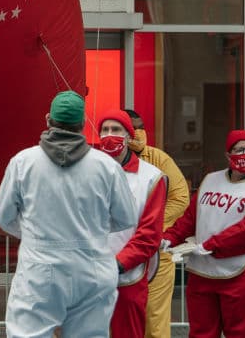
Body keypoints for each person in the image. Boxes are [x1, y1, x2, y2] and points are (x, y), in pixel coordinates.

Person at [0, 90, 138, 338]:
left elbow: (3, 215)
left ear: (48, 119)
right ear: (82, 124)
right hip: (93, 267)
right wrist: (93, 228)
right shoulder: (107, 167)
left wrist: (30, 231)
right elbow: (126, 217)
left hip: (40, 268)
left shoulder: (23, 162)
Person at [162, 129, 245, 338]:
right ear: (228, 155)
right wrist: (170, 237)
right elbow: (191, 217)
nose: (244, 154)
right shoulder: (211, 181)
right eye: (238, 150)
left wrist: (211, 245)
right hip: (203, 273)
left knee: (243, 333)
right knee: (201, 333)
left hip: (243, 274)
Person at [97, 110, 167, 338]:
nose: (110, 135)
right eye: (105, 130)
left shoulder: (152, 177)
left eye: (116, 130)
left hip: (128, 279)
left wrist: (117, 264)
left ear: (129, 136)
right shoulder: (86, 171)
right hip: (88, 275)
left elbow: (149, 235)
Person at [123, 109, 190, 338]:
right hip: (118, 254)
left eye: (141, 126)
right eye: (133, 127)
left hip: (156, 256)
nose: (139, 131)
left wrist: (151, 227)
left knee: (155, 322)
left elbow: (181, 197)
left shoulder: (158, 159)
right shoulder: (103, 160)